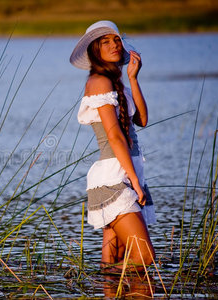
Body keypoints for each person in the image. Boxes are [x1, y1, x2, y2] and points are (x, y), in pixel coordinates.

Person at [70, 20, 156, 271]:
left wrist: (133, 78)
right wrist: (134, 182)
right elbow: (115, 137)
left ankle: (105, 288)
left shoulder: (116, 83)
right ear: (95, 51)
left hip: (128, 172)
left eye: (116, 39)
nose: (114, 44)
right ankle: (98, 282)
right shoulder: (98, 82)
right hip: (114, 177)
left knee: (115, 260)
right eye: (105, 41)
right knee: (144, 258)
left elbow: (142, 120)